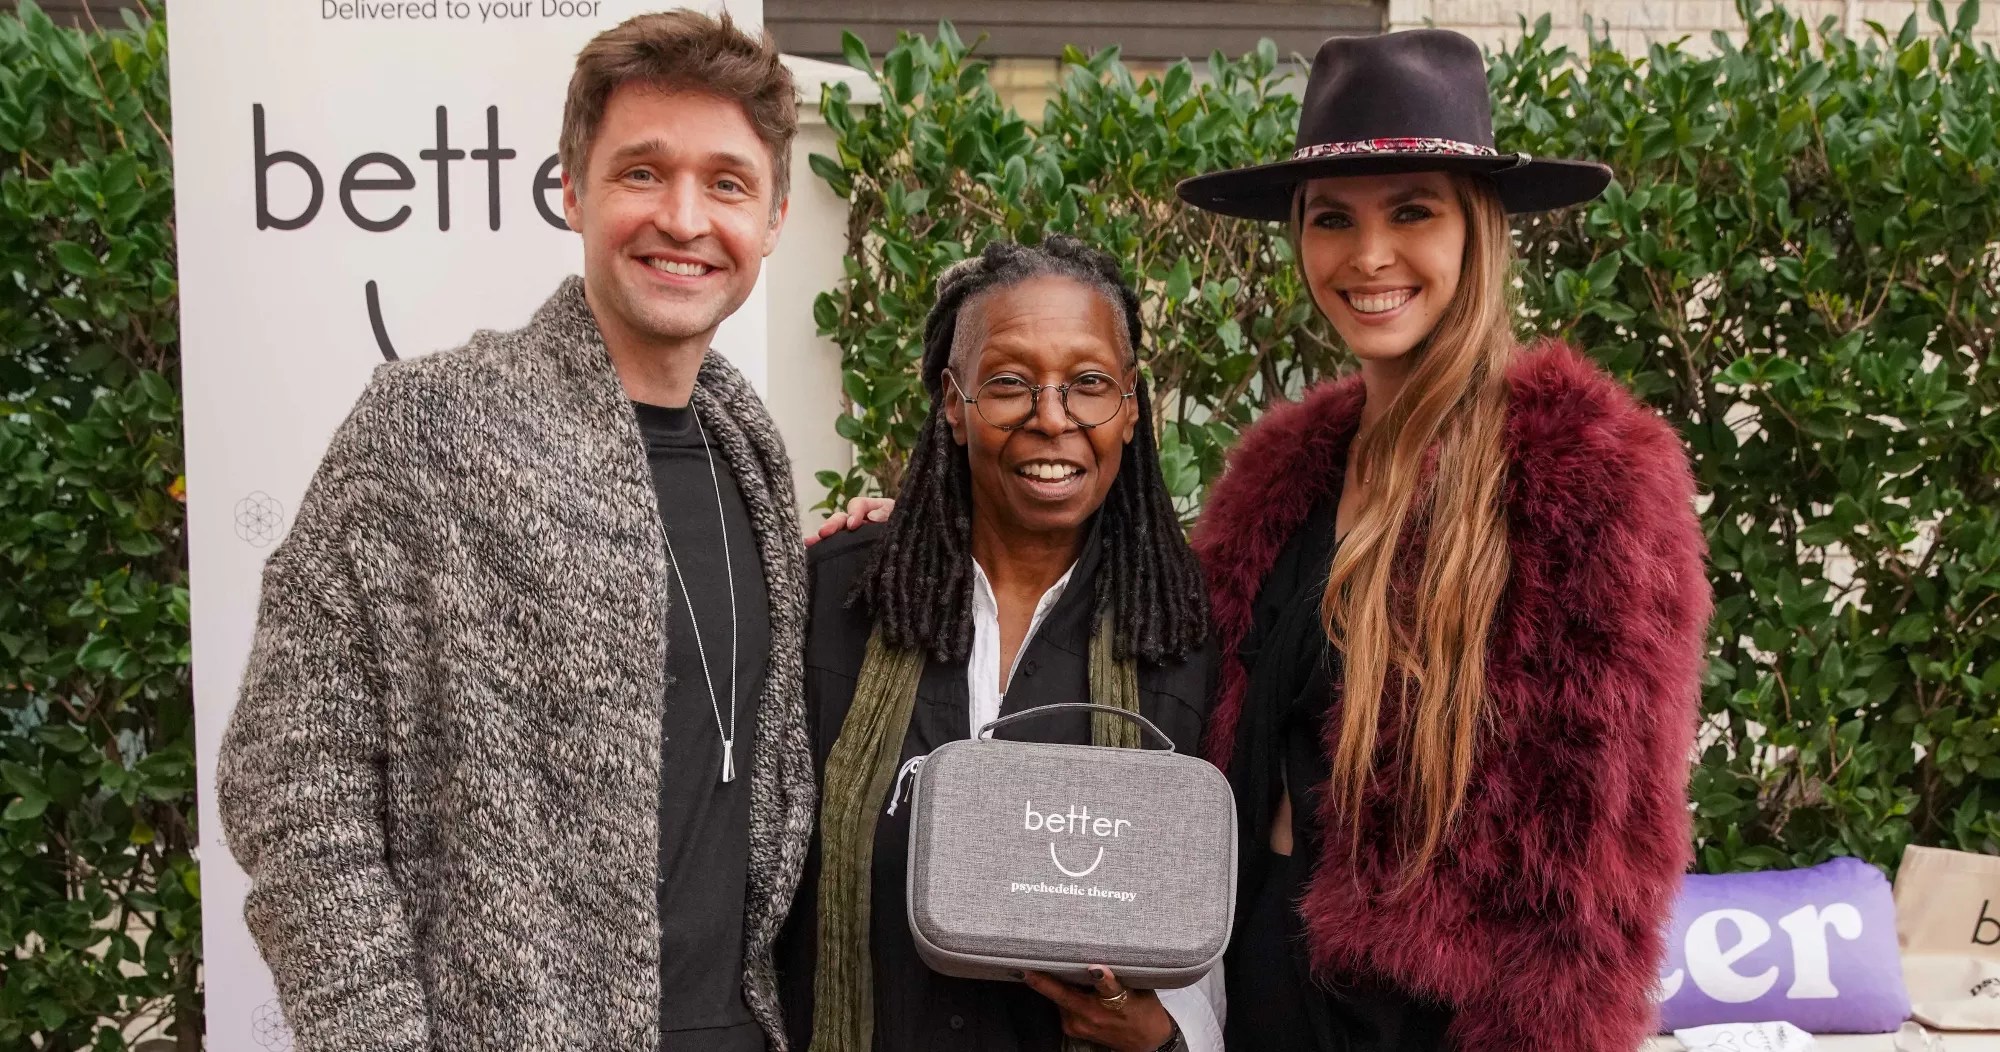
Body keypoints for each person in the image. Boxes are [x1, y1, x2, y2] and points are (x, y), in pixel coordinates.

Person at [216, 12, 870, 1050]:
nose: (685, 217)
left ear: (776, 216)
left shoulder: (749, 456)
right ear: (572, 188)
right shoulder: (428, 425)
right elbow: (291, 780)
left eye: (728, 183)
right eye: (642, 173)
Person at [1176, 30, 1711, 1052]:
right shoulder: (1277, 482)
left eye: (1410, 211)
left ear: (1475, 231)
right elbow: (1156, 665)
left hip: (1440, 1023)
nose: (1367, 257)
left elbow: (1596, 882)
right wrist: (927, 528)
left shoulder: (1588, 481)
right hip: (1250, 991)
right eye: (1331, 219)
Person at [778, 237, 1224, 1052]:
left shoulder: (1185, 636)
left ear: (1130, 407)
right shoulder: (835, 602)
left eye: (1089, 384)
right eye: (1010, 382)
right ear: (954, 401)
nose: (1051, 417)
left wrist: (1159, 1035)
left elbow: (1212, 927)